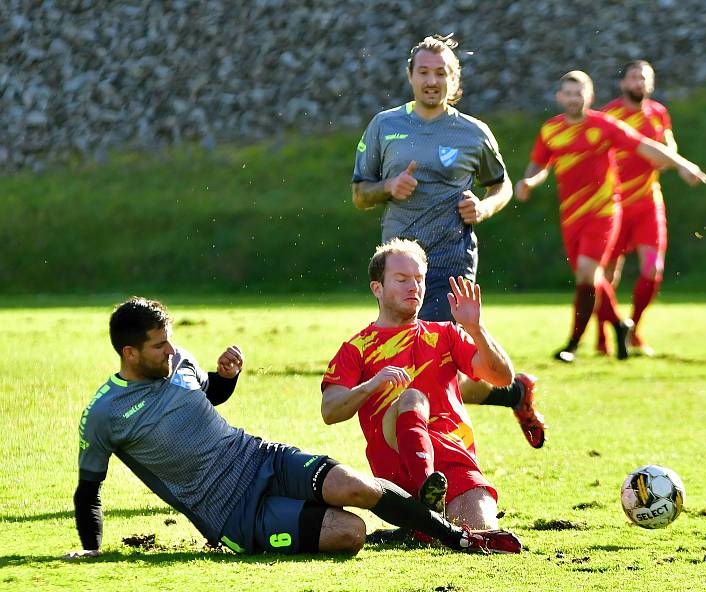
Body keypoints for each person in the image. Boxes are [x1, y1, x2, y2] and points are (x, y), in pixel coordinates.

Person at [65, 297, 522, 559]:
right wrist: (93, 548)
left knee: (355, 485)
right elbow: (89, 492)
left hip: (259, 456)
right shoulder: (104, 414)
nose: (171, 350)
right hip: (231, 511)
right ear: (129, 353)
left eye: (169, 341)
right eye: (158, 345)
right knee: (350, 535)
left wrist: (225, 378)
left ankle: (457, 537)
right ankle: (405, 526)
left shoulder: (178, 360)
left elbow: (206, 397)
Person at [351, 33, 543, 448]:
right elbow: (359, 194)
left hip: (450, 264)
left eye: (441, 73)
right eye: (424, 72)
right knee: (431, 372)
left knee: (431, 371)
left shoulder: (474, 133)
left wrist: (485, 207)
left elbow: (502, 185)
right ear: (410, 76)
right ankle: (514, 392)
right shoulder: (385, 125)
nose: (431, 80)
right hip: (397, 268)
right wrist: (388, 186)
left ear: (454, 80)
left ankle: (429, 462)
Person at [321, 239, 540, 533]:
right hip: (397, 466)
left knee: (481, 535)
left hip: (454, 458)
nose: (414, 287)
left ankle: (425, 524)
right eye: (401, 279)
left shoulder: (446, 334)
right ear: (377, 288)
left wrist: (476, 329)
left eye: (419, 279)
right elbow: (330, 411)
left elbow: (502, 378)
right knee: (412, 398)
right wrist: (373, 384)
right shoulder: (357, 348)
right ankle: (426, 490)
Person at [515, 70, 706, 363]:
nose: (572, 99)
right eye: (567, 93)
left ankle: (573, 343)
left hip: (604, 212)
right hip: (571, 216)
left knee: (587, 273)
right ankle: (619, 325)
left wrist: (683, 165)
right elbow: (539, 165)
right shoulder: (550, 130)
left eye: (578, 93)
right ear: (559, 97)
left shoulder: (604, 125)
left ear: (590, 96)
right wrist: (528, 182)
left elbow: (647, 146)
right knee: (590, 280)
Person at [594, 60, 675, 357]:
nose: (638, 83)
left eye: (644, 78)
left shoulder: (658, 114)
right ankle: (603, 333)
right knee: (606, 276)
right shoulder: (609, 115)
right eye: (633, 77)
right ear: (623, 83)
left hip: (648, 204)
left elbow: (669, 149)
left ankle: (633, 330)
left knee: (653, 269)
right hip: (613, 206)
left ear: (650, 84)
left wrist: (667, 157)